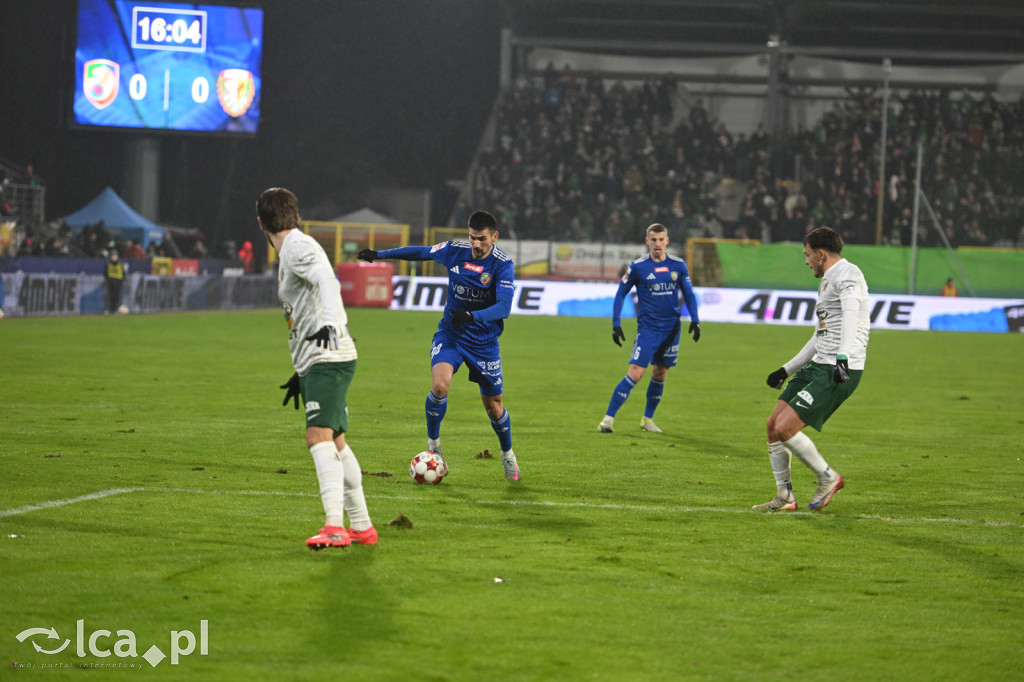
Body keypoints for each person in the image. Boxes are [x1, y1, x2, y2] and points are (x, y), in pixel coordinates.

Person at [357, 210, 520, 481]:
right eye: (472, 237)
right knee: (440, 386)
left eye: (481, 239)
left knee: (494, 407)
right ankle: (434, 445)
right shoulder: (455, 250)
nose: (476, 244)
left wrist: (472, 316)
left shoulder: (502, 265)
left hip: (484, 343)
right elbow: (420, 252)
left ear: (494, 236)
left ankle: (507, 454)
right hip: (451, 335)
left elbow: (504, 307)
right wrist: (380, 254)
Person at [256, 187, 376, 549]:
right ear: (295, 215)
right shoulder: (293, 249)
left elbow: (326, 278)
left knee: (317, 437)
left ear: (260, 222)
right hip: (319, 359)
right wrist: (301, 369)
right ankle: (362, 527)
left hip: (329, 356)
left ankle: (334, 526)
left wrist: (329, 323)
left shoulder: (297, 246)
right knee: (336, 442)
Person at [756, 226, 869, 512]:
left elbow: (852, 315)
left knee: (785, 427)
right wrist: (786, 369)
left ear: (821, 254)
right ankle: (785, 496)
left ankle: (828, 477)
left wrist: (843, 357)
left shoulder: (848, 275)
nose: (806, 261)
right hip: (819, 363)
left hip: (838, 367)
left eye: (807, 255)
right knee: (773, 427)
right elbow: (820, 335)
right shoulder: (828, 280)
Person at [599, 223, 701, 434]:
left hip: (672, 329)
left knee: (660, 373)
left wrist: (695, 319)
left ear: (667, 241)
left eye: (661, 239)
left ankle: (648, 420)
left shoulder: (678, 265)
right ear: (647, 241)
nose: (657, 244)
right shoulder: (638, 267)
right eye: (653, 239)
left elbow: (689, 294)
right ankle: (607, 420)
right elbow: (620, 293)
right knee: (636, 372)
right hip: (648, 329)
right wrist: (616, 324)